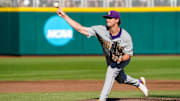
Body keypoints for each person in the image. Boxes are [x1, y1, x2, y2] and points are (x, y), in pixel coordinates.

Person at [56, 7, 148, 101]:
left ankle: (102, 99)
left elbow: (128, 55)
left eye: (110, 18)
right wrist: (64, 16)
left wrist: (120, 59)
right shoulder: (100, 30)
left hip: (123, 58)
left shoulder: (126, 36)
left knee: (111, 70)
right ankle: (138, 83)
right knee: (120, 79)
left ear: (117, 20)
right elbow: (80, 29)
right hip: (110, 58)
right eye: (107, 17)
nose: (107, 19)